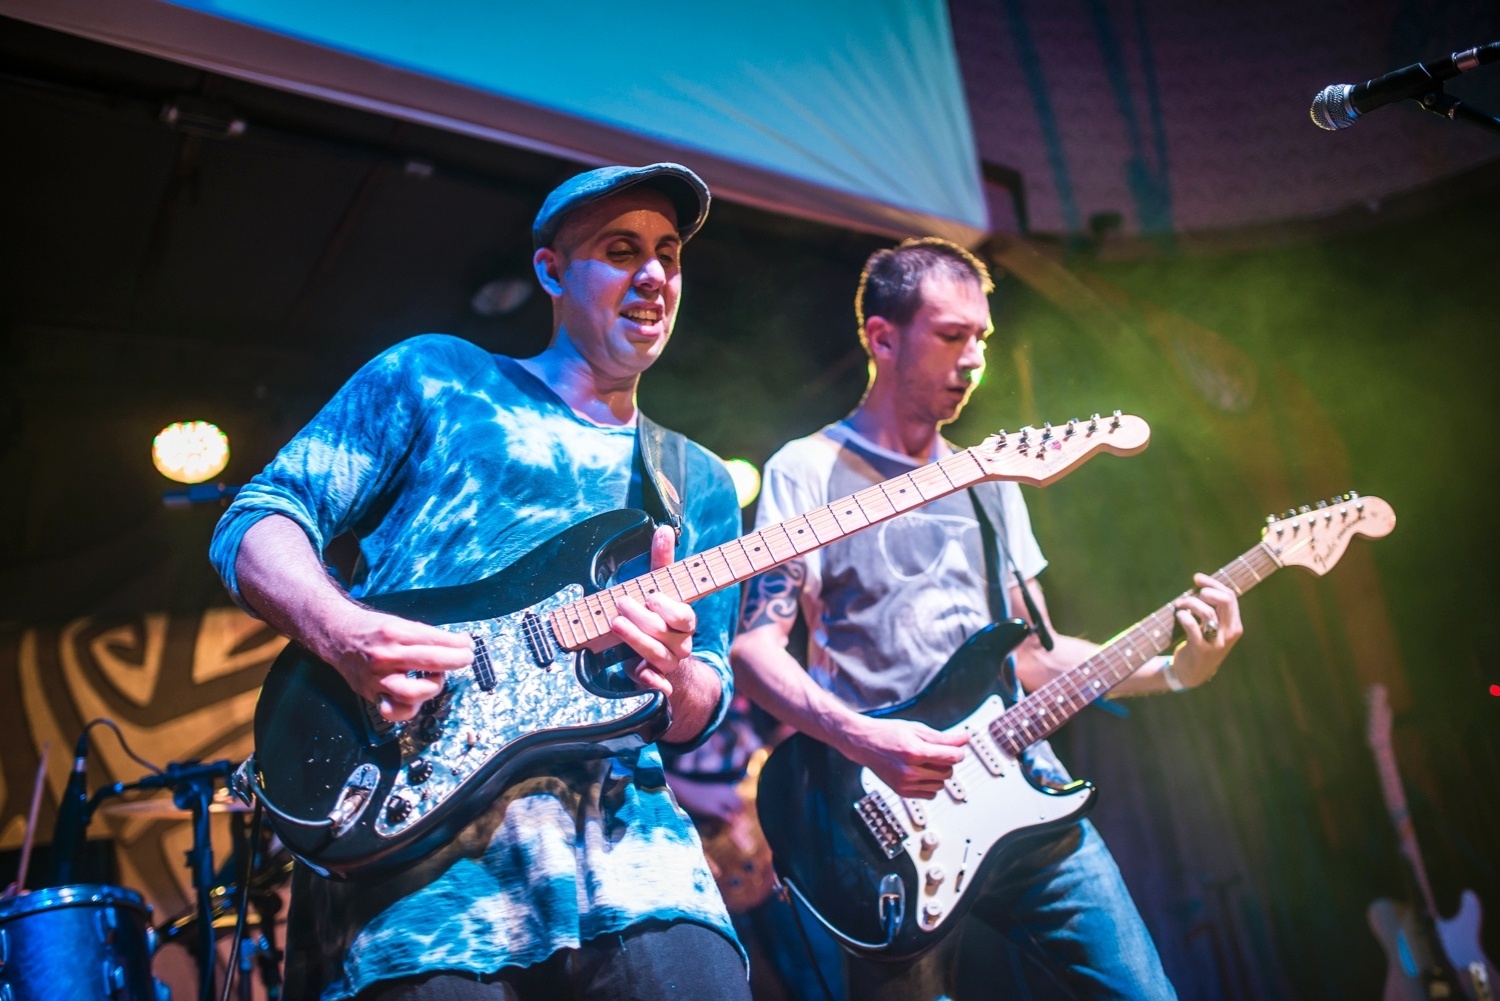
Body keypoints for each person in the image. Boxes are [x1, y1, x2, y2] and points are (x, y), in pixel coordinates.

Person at [209, 163, 751, 1001]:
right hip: (424, 871)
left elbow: (702, 698)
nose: (654, 274)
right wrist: (345, 634)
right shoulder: (439, 378)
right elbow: (260, 520)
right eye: (621, 249)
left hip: (635, 864)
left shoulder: (698, 480)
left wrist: (672, 671)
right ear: (551, 270)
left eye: (670, 254)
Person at [729, 238, 1244, 1000]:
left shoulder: (992, 481)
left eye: (982, 338)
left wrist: (1172, 671)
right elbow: (753, 649)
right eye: (950, 335)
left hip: (1019, 786)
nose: (973, 359)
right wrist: (866, 739)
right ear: (881, 336)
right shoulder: (806, 470)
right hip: (881, 824)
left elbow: (1034, 656)